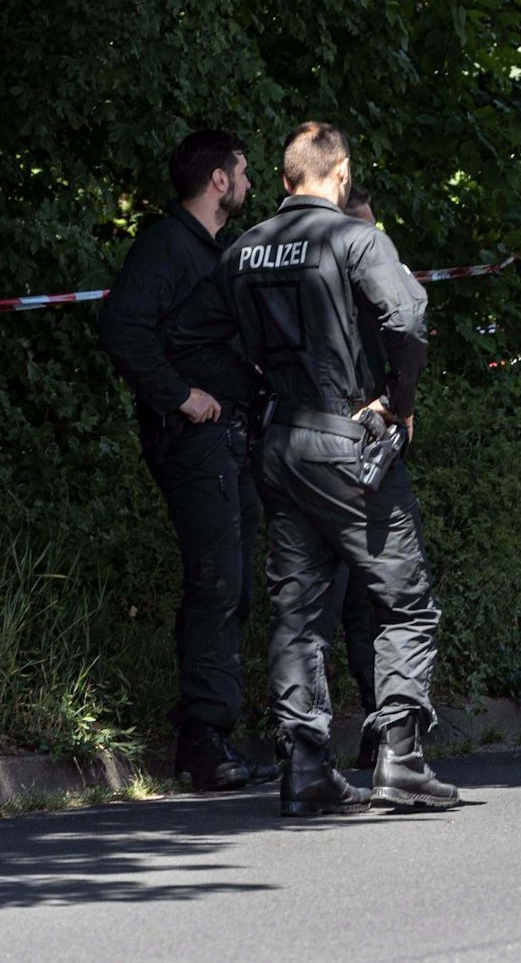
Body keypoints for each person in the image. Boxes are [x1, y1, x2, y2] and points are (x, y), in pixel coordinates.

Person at [169, 122, 457, 817]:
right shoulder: (356, 237)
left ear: (284, 177)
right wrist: (399, 401)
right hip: (349, 439)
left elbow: (186, 333)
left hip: (281, 443)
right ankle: (401, 757)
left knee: (297, 613)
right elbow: (408, 313)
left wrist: (253, 387)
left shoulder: (242, 249)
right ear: (341, 173)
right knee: (404, 600)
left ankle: (304, 765)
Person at [97, 130, 274, 792]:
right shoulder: (165, 246)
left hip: (232, 440)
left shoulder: (216, 251)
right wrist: (181, 395)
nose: (251, 183)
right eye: (244, 172)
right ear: (219, 181)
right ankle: (203, 742)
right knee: (216, 578)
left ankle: (215, 730)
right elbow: (122, 329)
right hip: (195, 442)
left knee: (234, 581)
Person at [309, 182, 386, 770]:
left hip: (376, 464)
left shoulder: (383, 286)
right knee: (322, 607)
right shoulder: (314, 290)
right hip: (324, 458)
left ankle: (378, 728)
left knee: (371, 607)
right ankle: (309, 750)